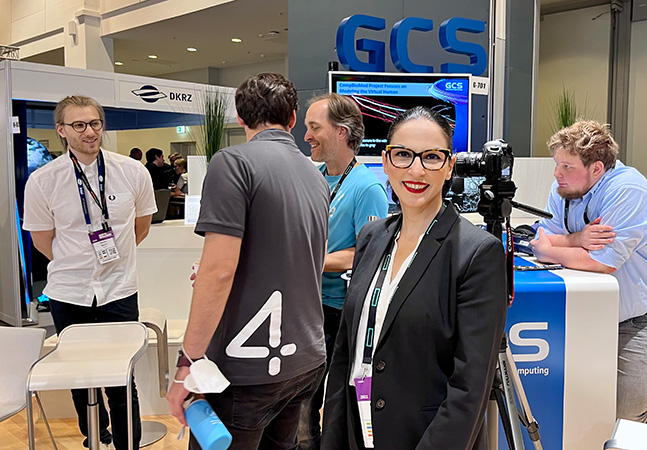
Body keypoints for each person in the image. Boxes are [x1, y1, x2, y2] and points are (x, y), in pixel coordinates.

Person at [321, 106, 507, 450]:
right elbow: (345, 353)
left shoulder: (476, 254)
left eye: (432, 157)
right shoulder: (371, 238)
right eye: (403, 155)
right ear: (387, 161)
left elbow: (469, 389)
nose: (416, 170)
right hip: (357, 429)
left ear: (449, 166)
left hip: (422, 438)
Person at [166, 72, 330, 450]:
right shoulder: (314, 174)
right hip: (303, 360)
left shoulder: (232, 163)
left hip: (247, 368)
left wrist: (187, 363)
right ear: (292, 119)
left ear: (240, 119)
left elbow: (218, 270)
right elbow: (303, 258)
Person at [532, 120, 647, 427]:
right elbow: (545, 233)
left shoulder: (626, 190)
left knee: (624, 419)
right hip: (607, 315)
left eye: (567, 166)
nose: (557, 174)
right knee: (643, 406)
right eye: (557, 165)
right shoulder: (564, 189)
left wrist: (549, 251)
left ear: (597, 168)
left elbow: (602, 261)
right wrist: (576, 239)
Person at [22, 95, 157, 449]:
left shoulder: (132, 171)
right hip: (70, 292)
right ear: (62, 130)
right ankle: (95, 434)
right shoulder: (43, 181)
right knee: (80, 377)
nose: (89, 132)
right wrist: (77, 263)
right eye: (79, 125)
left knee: (122, 377)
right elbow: (42, 241)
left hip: (119, 289)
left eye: (95, 123)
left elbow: (140, 228)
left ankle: (128, 442)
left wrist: (112, 260)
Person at [299, 93, 388, 450]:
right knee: (300, 401)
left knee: (319, 403)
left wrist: (308, 259)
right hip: (306, 303)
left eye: (313, 127)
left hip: (335, 310)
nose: (306, 136)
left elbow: (368, 253)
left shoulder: (367, 187)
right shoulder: (314, 175)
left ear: (341, 132)